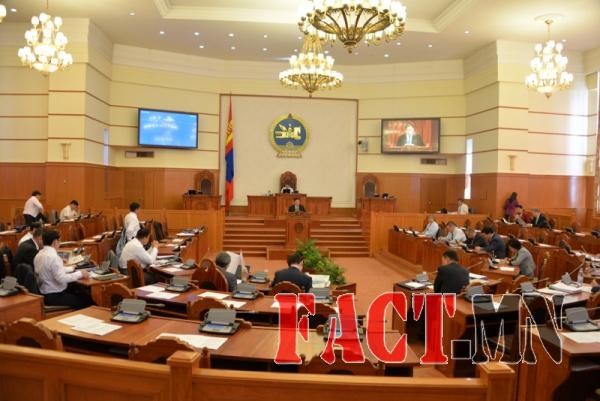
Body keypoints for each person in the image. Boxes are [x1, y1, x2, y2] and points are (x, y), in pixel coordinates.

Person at [34, 230, 92, 309]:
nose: (60, 243)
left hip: (45, 293)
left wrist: (71, 268)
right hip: (54, 295)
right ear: (55, 242)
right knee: (86, 301)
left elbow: (52, 270)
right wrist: (80, 274)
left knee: (78, 290)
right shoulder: (54, 257)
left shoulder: (38, 254)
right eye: (59, 241)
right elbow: (61, 279)